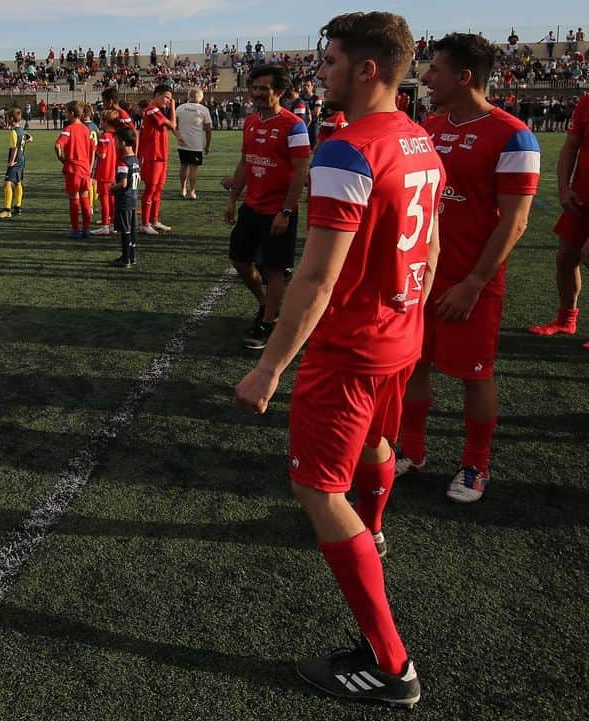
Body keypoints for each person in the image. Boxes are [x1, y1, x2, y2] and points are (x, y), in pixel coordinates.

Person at [234, 11, 440, 707]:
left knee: (319, 489)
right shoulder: (420, 140)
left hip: (350, 347)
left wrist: (270, 367)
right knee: (379, 443)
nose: (320, 72)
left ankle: (392, 664)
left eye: (328, 61)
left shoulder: (347, 150)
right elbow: (431, 250)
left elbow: (318, 279)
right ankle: (374, 530)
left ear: (367, 69)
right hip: (399, 337)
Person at [396, 33, 540, 504]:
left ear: (463, 76)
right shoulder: (431, 126)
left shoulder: (514, 134)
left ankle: (477, 463)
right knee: (413, 363)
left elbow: (516, 221)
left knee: (476, 373)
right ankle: (412, 451)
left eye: (434, 69)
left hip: (471, 282)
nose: (425, 77)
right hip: (422, 274)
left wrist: (474, 283)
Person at [222, 63, 311, 350]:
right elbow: (246, 163)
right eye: (255, 88)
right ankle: (266, 304)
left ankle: (268, 322)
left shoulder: (294, 126)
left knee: (274, 269)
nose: (257, 93)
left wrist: (286, 211)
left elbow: (300, 172)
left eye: (264, 88)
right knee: (239, 260)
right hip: (251, 206)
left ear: (280, 92)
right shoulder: (250, 121)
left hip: (278, 211)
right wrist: (233, 198)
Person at [528, 92, 589, 348]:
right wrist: (564, 188)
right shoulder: (586, 102)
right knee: (566, 258)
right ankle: (566, 319)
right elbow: (571, 146)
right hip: (582, 194)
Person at [137, 84, 177, 235]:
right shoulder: (151, 110)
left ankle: (154, 220)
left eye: (170, 98)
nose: (168, 100)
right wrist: (173, 107)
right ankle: (145, 223)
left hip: (160, 156)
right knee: (151, 189)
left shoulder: (156, 111)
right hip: (152, 157)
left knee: (158, 189)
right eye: (167, 97)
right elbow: (173, 125)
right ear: (157, 95)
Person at [54, 100, 95, 239]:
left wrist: (61, 158)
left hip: (73, 169)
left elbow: (58, 145)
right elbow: (92, 149)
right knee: (85, 198)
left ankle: (76, 230)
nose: (65, 114)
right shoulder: (86, 129)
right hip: (85, 169)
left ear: (72, 113)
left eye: (66, 112)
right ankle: (87, 229)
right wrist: (89, 166)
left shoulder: (68, 129)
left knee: (74, 198)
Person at [110, 126, 141, 267]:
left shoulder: (123, 162)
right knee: (132, 229)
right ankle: (132, 256)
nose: (115, 144)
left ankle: (125, 259)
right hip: (133, 198)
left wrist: (111, 188)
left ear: (122, 143)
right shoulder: (135, 160)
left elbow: (122, 183)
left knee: (125, 230)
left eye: (116, 141)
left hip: (124, 200)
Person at [175, 87, 213, 199]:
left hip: (182, 143)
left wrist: (178, 136)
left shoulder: (180, 108)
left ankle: (183, 189)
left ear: (188, 96)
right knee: (193, 169)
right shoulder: (203, 109)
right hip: (195, 145)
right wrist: (208, 145)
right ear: (200, 98)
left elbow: (174, 125)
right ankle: (192, 191)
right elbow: (208, 129)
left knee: (183, 166)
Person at [0, 108, 32, 219]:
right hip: (22, 159)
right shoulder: (21, 130)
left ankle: (7, 210)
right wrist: (24, 142)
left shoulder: (13, 132)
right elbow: (30, 138)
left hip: (15, 160)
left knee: (7, 183)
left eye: (7, 118)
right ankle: (18, 207)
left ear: (11, 119)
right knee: (18, 183)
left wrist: (11, 161)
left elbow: (14, 148)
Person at [91, 110, 119, 235]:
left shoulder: (104, 137)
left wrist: (93, 147)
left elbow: (102, 155)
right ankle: (113, 223)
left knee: (104, 199)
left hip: (104, 172)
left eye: (101, 120)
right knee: (112, 199)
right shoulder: (116, 136)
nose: (100, 122)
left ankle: (105, 225)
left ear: (106, 122)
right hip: (113, 171)